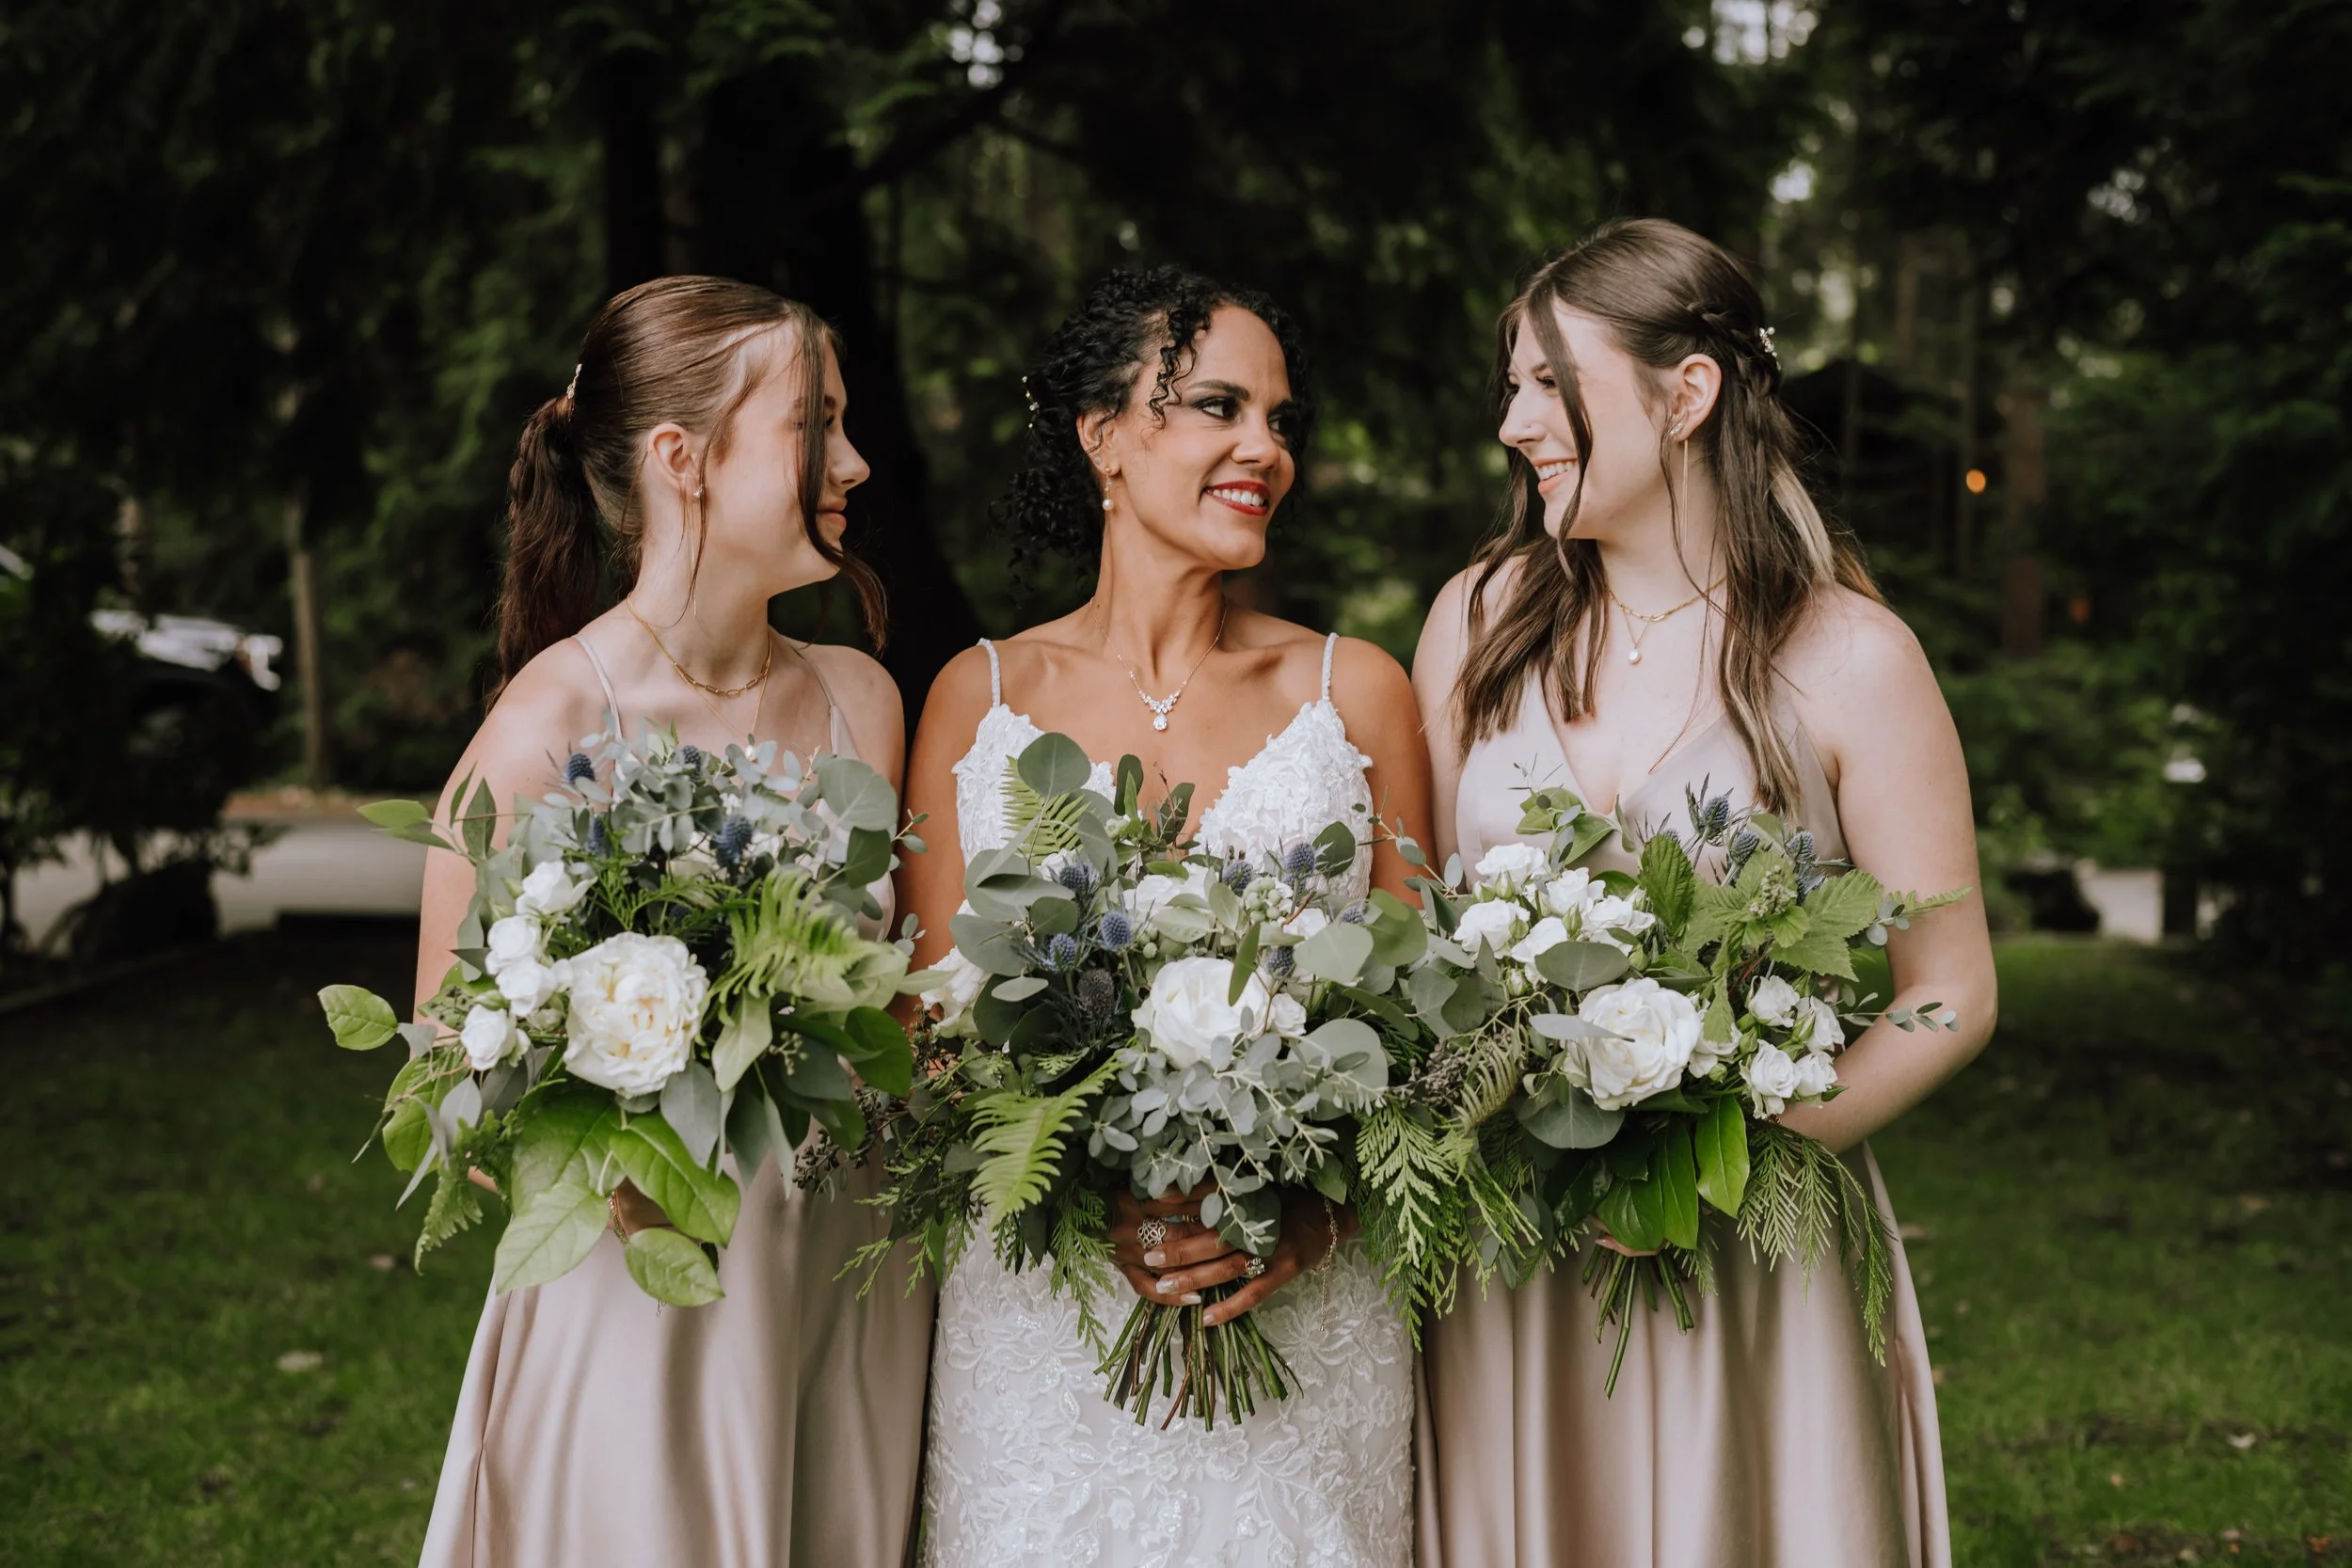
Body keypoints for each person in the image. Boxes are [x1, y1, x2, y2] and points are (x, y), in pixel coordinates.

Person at [1411, 218, 1996, 1567]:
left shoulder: (1853, 656)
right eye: (1510, 387)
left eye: (1550, 384)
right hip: (1512, 1247)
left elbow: (1953, 992)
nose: (1514, 423)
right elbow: (1418, 924)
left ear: (1689, 396)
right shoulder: (1478, 619)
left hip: (1749, 1249)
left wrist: (1743, 1156)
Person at [898, 265, 1435, 1567]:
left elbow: (1424, 1026)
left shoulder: (1353, 688)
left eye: (1280, 419)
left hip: (1304, 1307)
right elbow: (929, 1035)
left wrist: (1311, 1217)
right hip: (1049, 1310)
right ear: (1104, 435)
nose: (1266, 447)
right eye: (1216, 406)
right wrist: (1085, 1186)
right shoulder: (978, 697)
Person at [414, 276, 930, 1568]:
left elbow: (910, 1016)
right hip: (642, 1309)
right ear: (681, 460)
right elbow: (444, 1059)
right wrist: (628, 1187)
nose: (856, 461)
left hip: (836, 1289)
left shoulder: (863, 701)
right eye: (815, 423)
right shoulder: (548, 723)